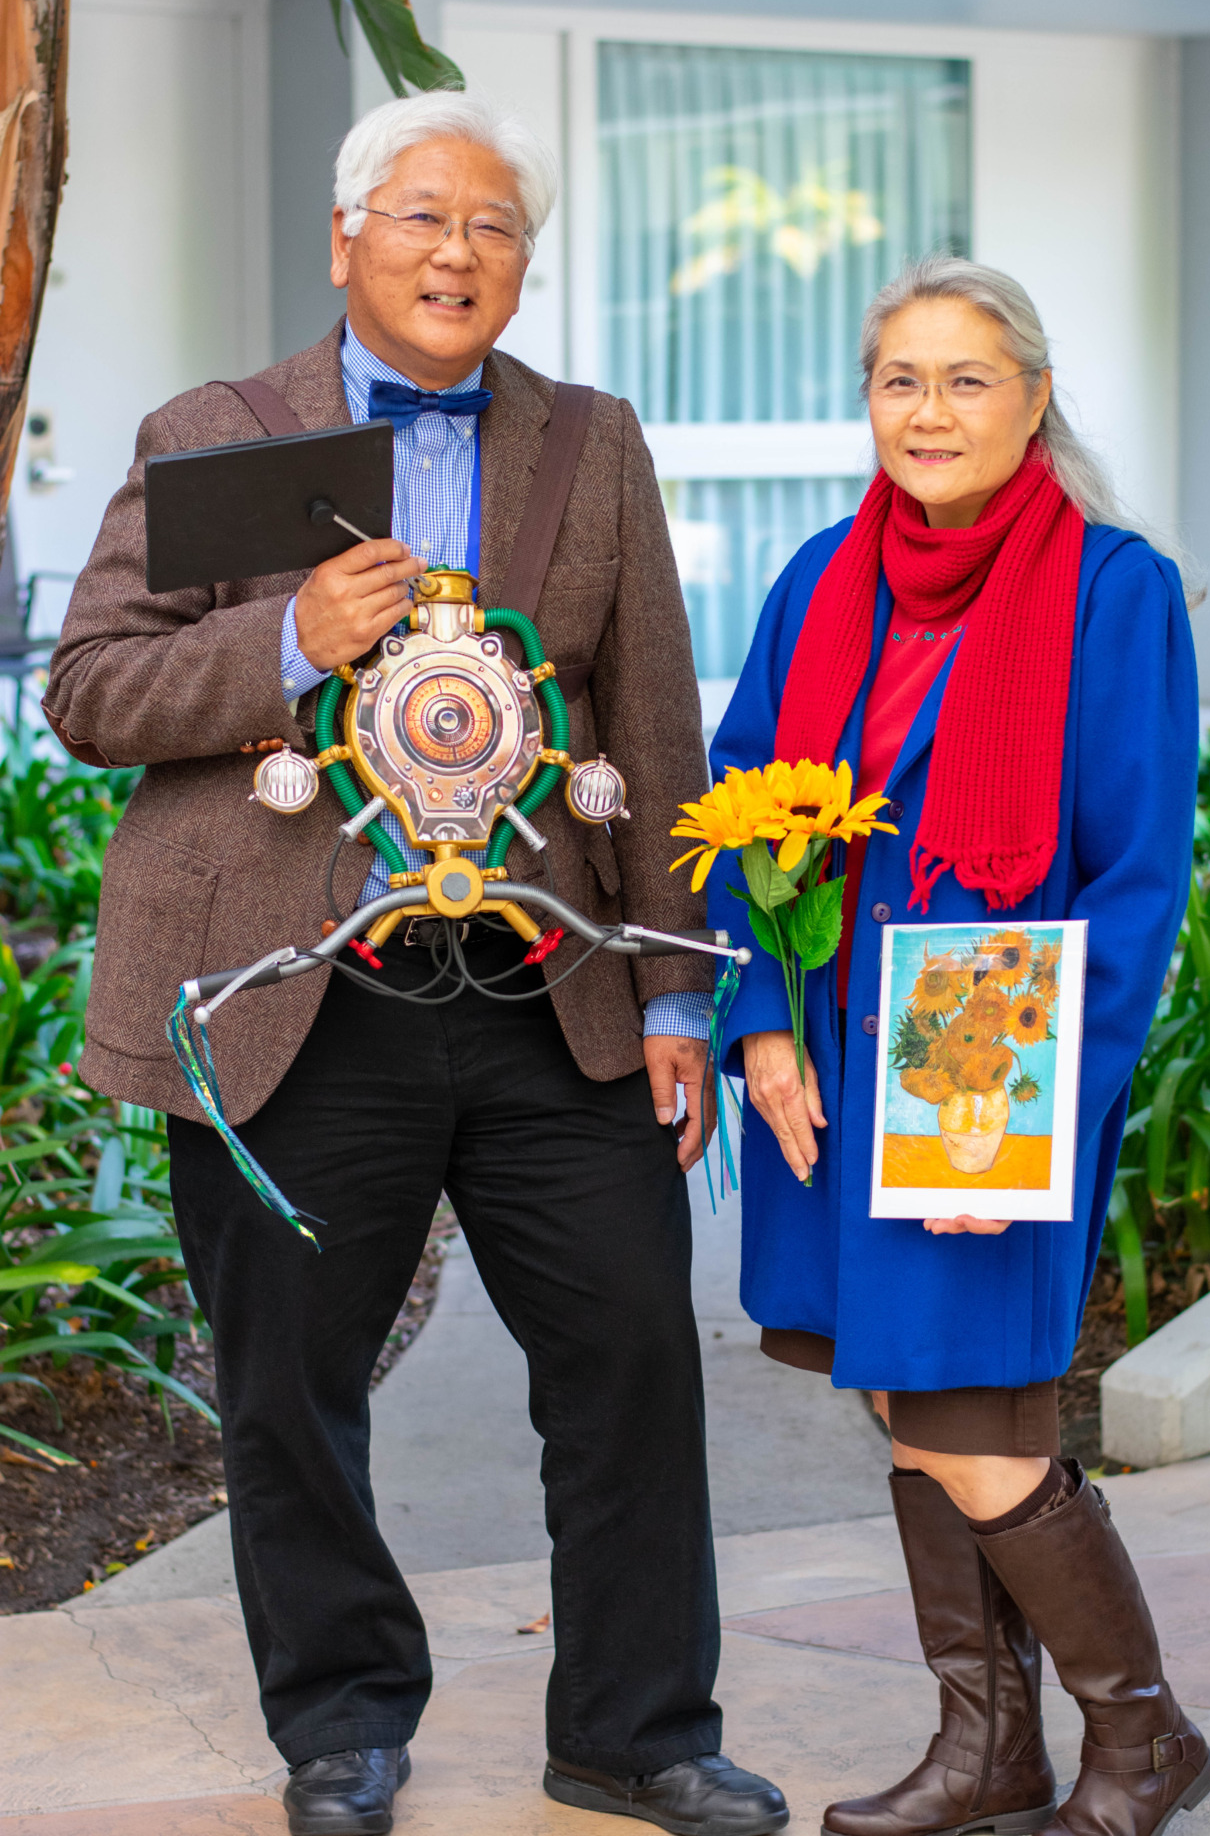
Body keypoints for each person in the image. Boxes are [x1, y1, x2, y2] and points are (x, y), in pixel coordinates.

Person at [44, 89, 788, 1836]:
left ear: (525, 264)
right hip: (297, 994)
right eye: (423, 217)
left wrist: (680, 988)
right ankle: (343, 1724)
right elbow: (88, 690)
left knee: (632, 1355)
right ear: (345, 240)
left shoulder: (592, 441)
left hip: (552, 984)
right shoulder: (213, 435)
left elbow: (654, 724)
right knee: (291, 1389)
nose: (458, 252)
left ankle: (635, 1731)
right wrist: (287, 640)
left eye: (495, 226)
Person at [707, 256, 1210, 1836]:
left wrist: (1027, 1112)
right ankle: (989, 1750)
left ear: (1034, 398)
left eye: (967, 379)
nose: (929, 412)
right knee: (905, 1399)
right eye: (900, 381)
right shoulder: (821, 577)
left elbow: (1136, 878)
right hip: (833, 1061)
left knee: (969, 1419)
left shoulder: (1114, 591)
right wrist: (760, 1020)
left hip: (984, 1064)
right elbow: (740, 808)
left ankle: (1144, 1741)